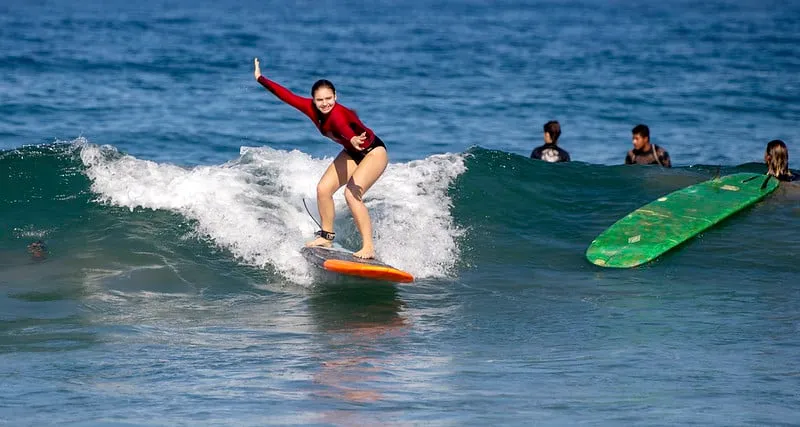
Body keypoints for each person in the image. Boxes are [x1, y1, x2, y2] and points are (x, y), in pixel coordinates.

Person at [253, 58, 388, 259]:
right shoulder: (310, 108)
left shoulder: (338, 114)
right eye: (320, 100)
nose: (325, 104)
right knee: (323, 189)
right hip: (352, 152)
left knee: (351, 195)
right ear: (313, 100)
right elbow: (286, 96)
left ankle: (368, 246)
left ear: (336, 96)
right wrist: (260, 78)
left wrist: (351, 137)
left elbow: (341, 124)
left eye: (329, 98)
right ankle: (326, 236)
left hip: (373, 152)